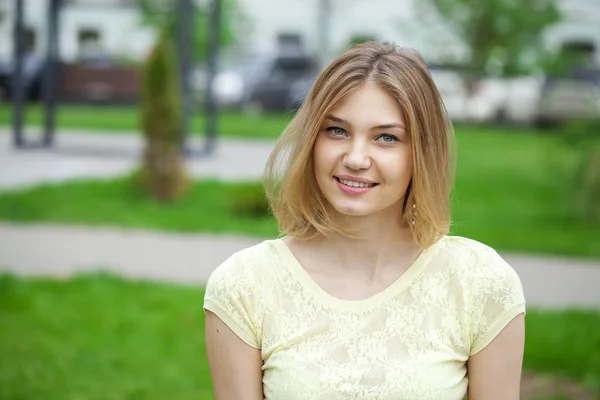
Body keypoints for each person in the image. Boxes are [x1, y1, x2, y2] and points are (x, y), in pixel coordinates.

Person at [203, 42, 526, 400]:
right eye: (337, 131)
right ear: (311, 139)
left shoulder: (481, 284)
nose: (356, 158)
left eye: (386, 137)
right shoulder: (243, 286)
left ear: (422, 151)